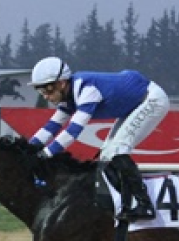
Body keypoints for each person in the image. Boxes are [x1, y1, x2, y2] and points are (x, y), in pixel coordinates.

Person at [27, 56, 170, 222]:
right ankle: (123, 203)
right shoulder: (68, 97)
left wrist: (45, 154)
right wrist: (26, 148)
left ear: (62, 83)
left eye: (48, 89)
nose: (46, 96)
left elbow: (73, 131)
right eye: (41, 91)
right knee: (106, 155)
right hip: (135, 104)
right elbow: (51, 127)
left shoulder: (86, 90)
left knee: (117, 150)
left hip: (152, 100)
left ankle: (144, 204)